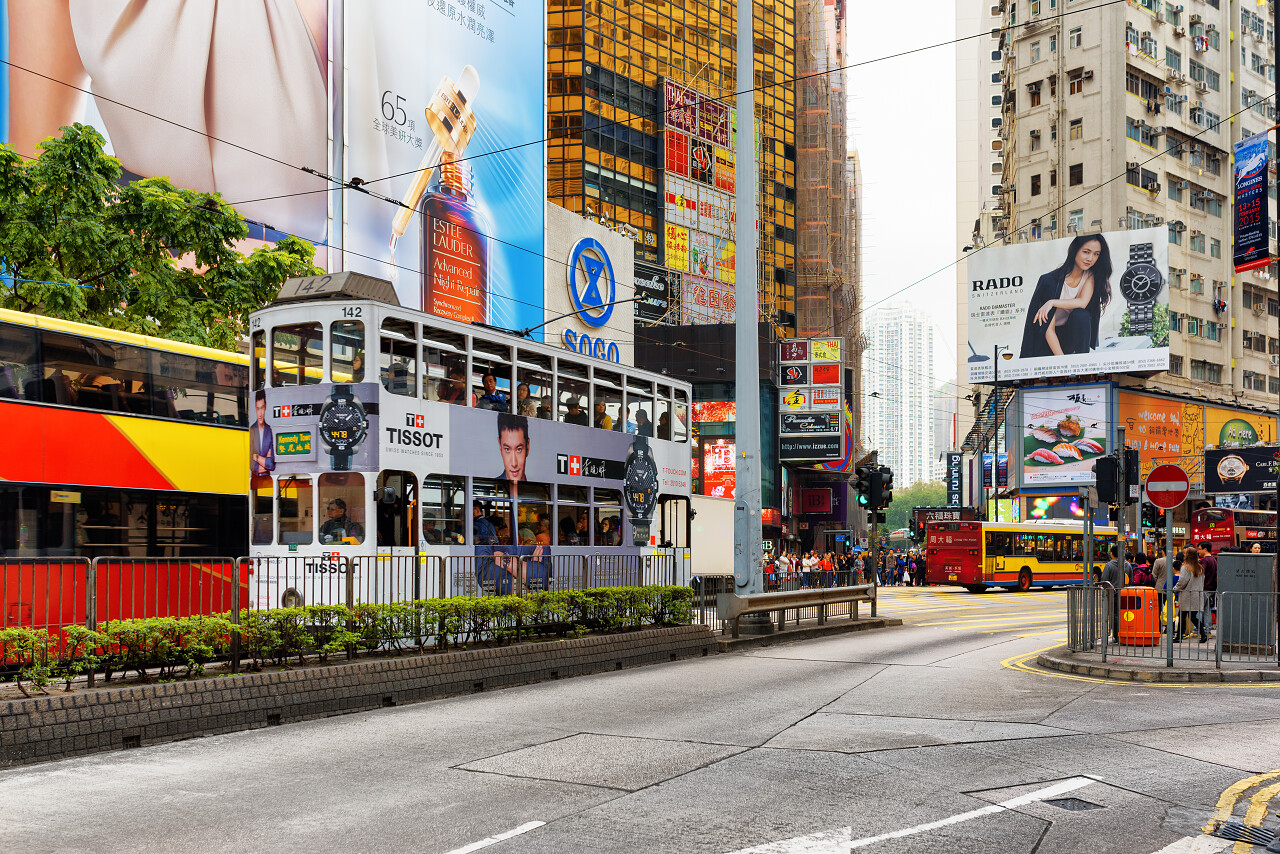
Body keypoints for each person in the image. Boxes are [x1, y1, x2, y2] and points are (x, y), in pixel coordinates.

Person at [1019, 234, 1114, 358]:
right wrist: (1063, 362)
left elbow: (1082, 303)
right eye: (1086, 252)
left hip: (1071, 335)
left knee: (1081, 314)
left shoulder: (1090, 276)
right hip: (1047, 341)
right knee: (1077, 315)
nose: (1090, 258)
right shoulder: (1049, 281)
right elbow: (1049, 330)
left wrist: (1052, 302)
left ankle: (1082, 362)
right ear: (1074, 250)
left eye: (1096, 254)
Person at [1174, 547, 1208, 643]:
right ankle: (1203, 634)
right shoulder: (1200, 568)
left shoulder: (1185, 567)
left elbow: (1182, 581)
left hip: (1187, 595)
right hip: (1196, 595)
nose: (1184, 555)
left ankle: (1178, 636)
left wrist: (1175, 589)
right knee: (1193, 616)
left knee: (1182, 616)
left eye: (1185, 553)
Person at [1101, 544, 1131, 643]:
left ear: (1112, 553)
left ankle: (1117, 635)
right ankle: (1125, 633)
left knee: (1114, 615)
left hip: (1112, 594)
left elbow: (1104, 580)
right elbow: (1131, 581)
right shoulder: (1128, 565)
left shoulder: (1109, 565)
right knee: (1125, 614)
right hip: (1126, 594)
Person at [495, 413, 530, 492]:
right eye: (507, 449)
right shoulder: (495, 486)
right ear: (500, 446)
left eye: (519, 449)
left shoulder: (537, 488)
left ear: (527, 447)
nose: (514, 463)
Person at [250, 392, 275, 476]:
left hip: (267, 480)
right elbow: (251, 465)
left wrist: (256, 457)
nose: (260, 414)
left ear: (266, 407)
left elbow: (271, 464)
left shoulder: (269, 431)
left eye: (262, 408)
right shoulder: (251, 431)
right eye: (257, 409)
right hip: (254, 481)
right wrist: (264, 461)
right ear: (255, 408)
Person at [1197, 541, 1218, 636]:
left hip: (1204, 588)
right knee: (1207, 610)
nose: (1198, 551)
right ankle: (1208, 630)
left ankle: (1197, 630)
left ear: (1205, 549)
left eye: (1199, 549)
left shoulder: (1204, 561)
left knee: (1199, 609)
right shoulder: (1214, 559)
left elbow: (1200, 573)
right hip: (1211, 588)